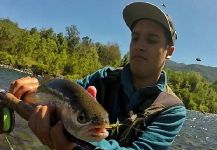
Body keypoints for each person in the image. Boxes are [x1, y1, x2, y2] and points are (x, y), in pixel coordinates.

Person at [8, 2, 186, 150]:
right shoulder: (103, 77)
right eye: (135, 37)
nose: (139, 45)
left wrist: (78, 144)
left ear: (169, 51)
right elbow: (60, 98)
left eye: (151, 40)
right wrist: (30, 93)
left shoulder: (172, 110)